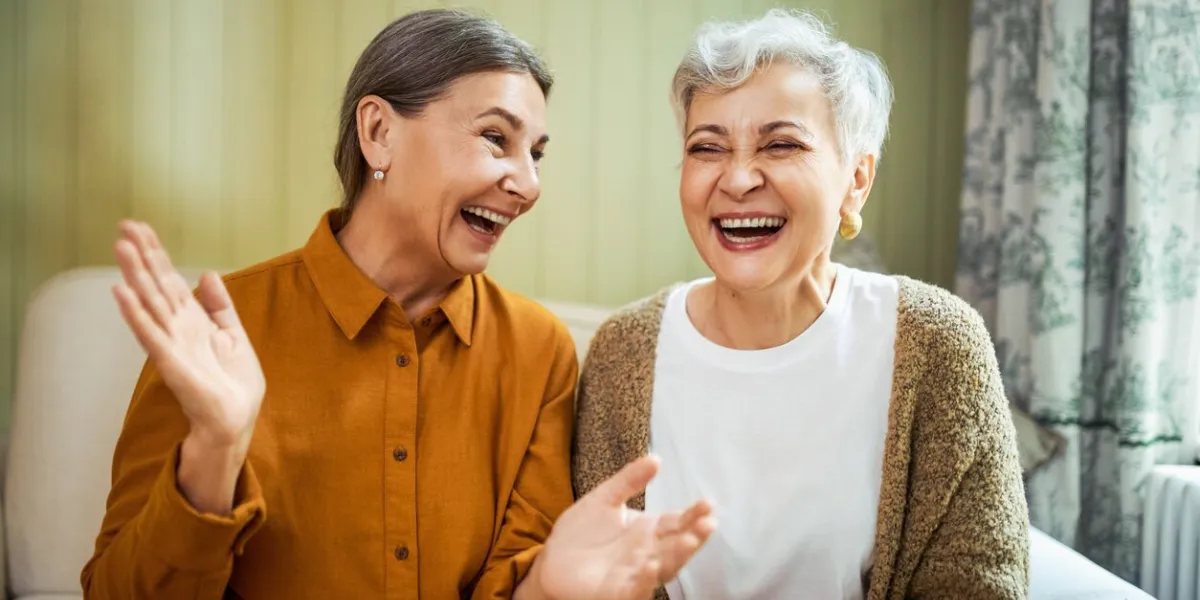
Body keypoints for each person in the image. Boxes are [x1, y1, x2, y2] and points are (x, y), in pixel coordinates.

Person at [81, 9, 714, 600]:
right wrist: (216, 448)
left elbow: (521, 575)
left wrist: (547, 583)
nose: (528, 184)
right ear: (379, 133)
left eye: (536, 153)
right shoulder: (222, 328)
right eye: (496, 138)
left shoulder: (539, 350)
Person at [572, 9, 1030, 600]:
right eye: (707, 148)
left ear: (856, 180)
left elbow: (979, 582)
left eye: (781, 143)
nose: (737, 179)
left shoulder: (938, 343)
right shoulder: (623, 351)